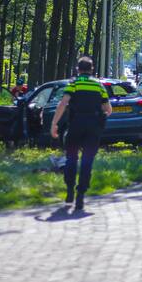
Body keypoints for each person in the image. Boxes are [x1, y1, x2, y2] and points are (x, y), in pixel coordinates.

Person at [50, 56, 112, 212]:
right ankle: (81, 196)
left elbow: (63, 103)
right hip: (93, 128)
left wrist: (54, 124)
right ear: (92, 70)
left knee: (71, 157)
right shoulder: (99, 86)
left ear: (78, 69)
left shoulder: (74, 84)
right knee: (87, 160)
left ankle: (70, 189)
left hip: (76, 125)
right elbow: (108, 110)